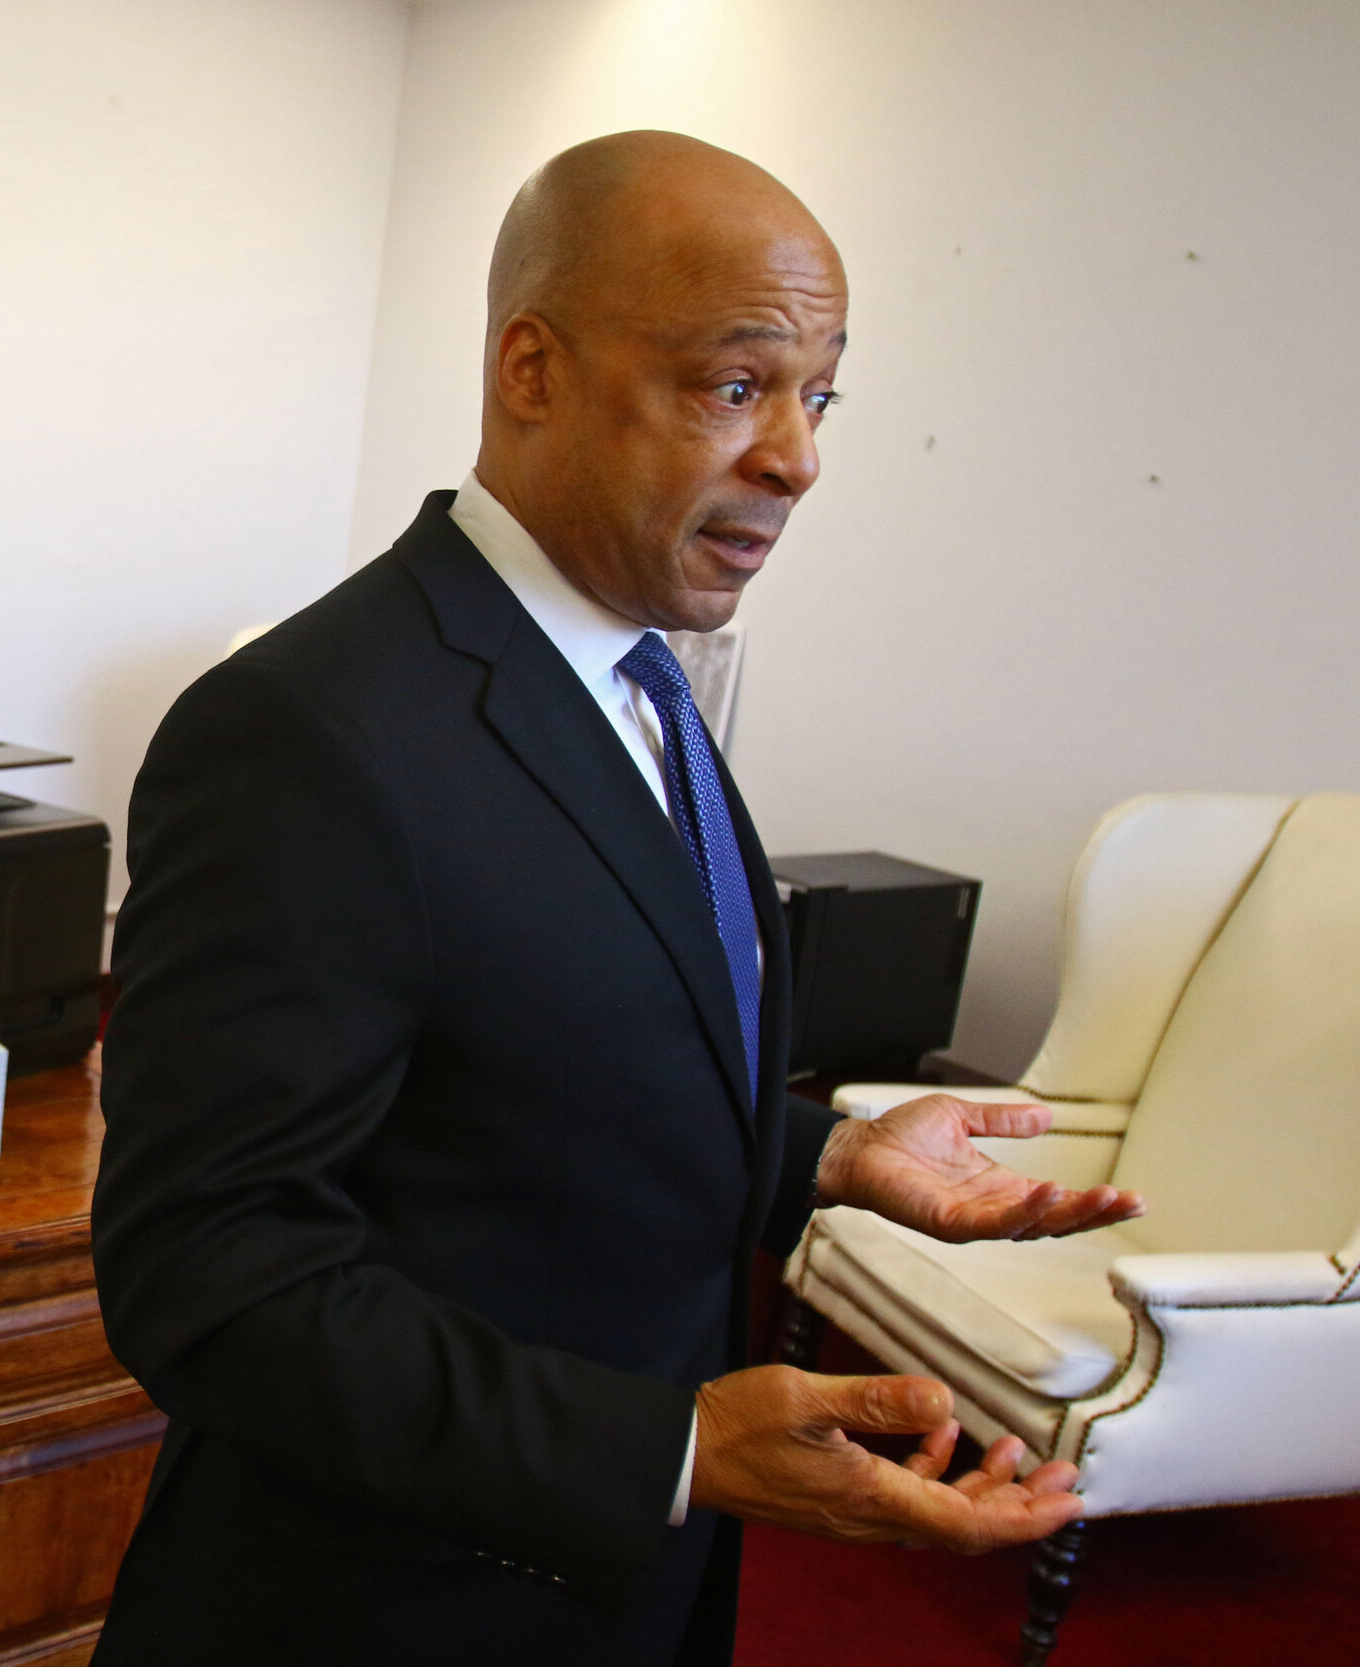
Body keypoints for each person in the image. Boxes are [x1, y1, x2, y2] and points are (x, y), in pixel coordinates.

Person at [88, 130, 1146, 1667]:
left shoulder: (644, 682)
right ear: (533, 367)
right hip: (383, 1606)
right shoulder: (309, 734)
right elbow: (210, 1278)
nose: (798, 455)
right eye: (737, 385)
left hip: (625, 1598)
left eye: (819, 394)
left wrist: (833, 1151)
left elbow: (545, 1070)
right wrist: (674, 1453)